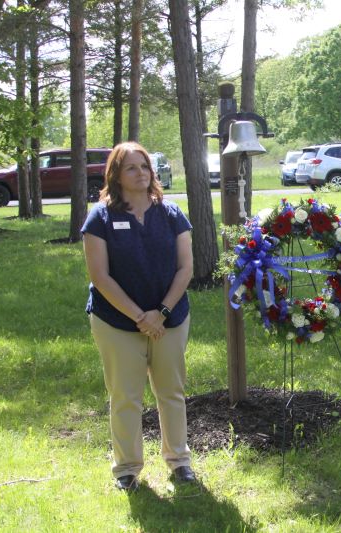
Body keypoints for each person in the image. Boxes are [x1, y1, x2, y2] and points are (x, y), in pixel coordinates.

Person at [82, 141, 197, 492]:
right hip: (116, 321)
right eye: (132, 167)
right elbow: (100, 277)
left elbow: (186, 268)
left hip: (170, 318)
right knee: (126, 395)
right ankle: (127, 469)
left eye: (145, 166)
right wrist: (139, 317)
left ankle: (179, 461)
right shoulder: (99, 218)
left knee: (171, 392)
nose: (141, 173)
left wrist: (160, 313)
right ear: (115, 174)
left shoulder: (172, 213)